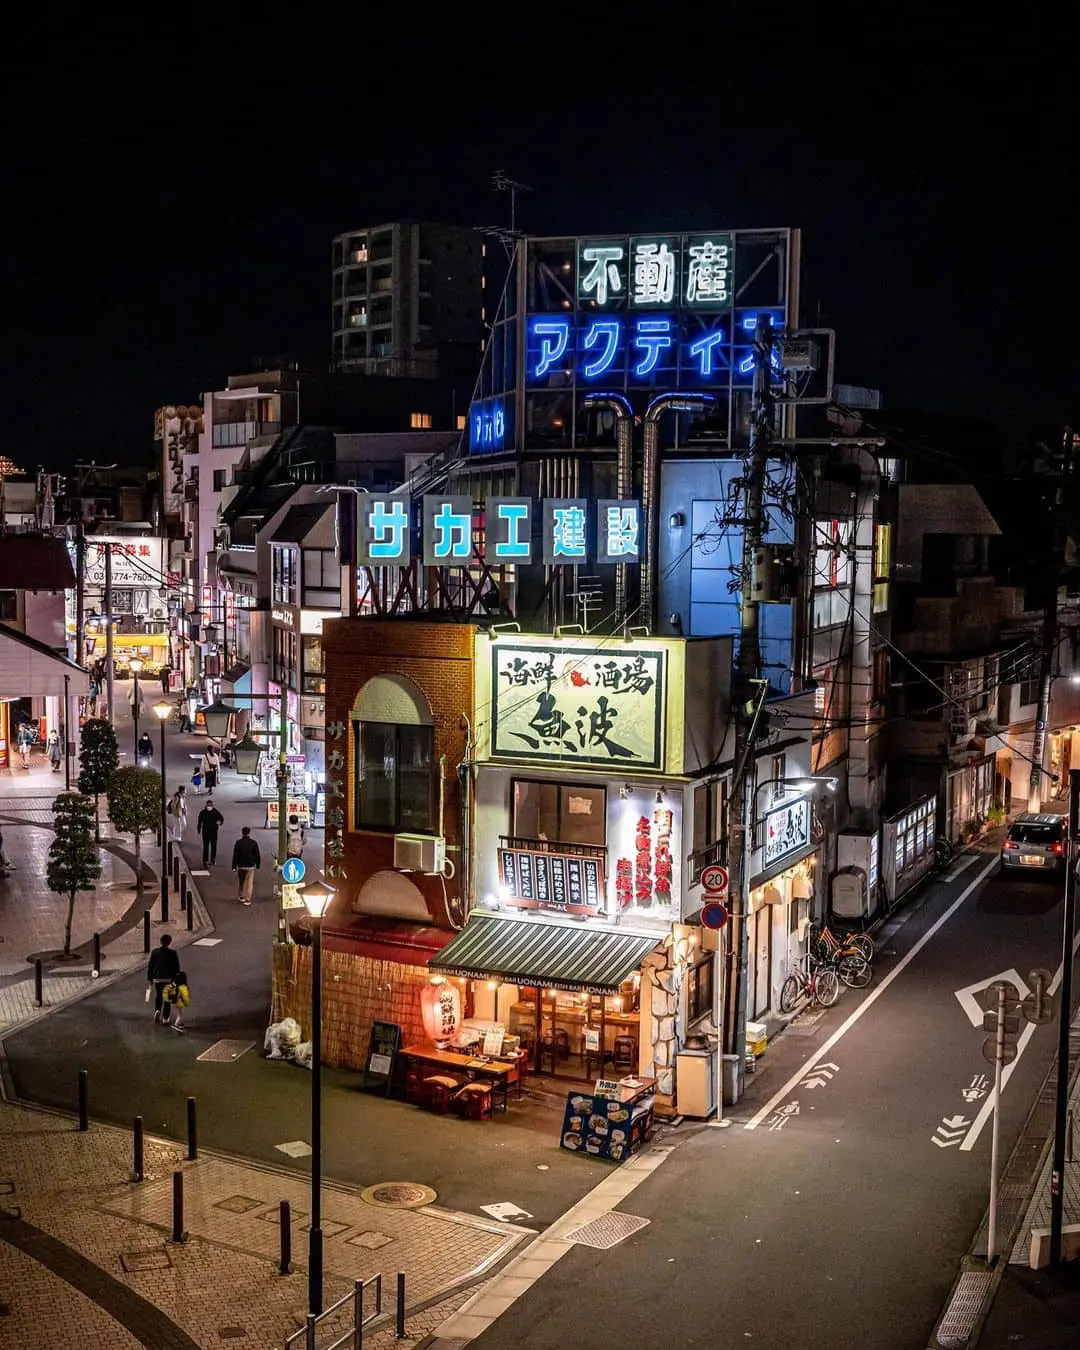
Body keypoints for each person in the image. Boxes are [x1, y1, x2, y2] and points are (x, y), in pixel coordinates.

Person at [146, 934, 180, 1023]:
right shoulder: (173, 953)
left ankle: (157, 1010)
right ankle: (165, 1018)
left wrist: (150, 979)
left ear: (161, 941)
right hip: (168, 979)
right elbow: (176, 967)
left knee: (159, 995)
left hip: (158, 979)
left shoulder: (155, 952)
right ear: (169, 942)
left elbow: (150, 966)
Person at [231, 825, 261, 905]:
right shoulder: (253, 843)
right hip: (250, 865)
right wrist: (258, 864)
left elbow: (235, 855)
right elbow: (257, 855)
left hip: (241, 865)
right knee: (249, 883)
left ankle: (241, 896)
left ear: (242, 833)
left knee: (241, 881)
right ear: (249, 833)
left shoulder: (238, 843)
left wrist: (234, 866)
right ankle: (248, 899)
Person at [197, 797, 224, 866]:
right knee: (206, 847)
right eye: (208, 805)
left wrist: (219, 822)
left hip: (214, 832)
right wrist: (199, 829)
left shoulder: (215, 811)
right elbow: (199, 821)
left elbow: (221, 818)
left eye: (210, 805)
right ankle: (205, 860)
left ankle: (213, 859)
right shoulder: (203, 812)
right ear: (206, 805)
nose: (209, 806)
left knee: (213, 846)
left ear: (212, 805)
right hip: (205, 832)